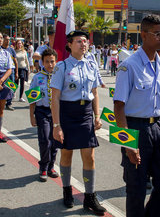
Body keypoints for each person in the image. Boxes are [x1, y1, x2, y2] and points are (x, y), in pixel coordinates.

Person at [114, 14, 160, 217]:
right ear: (144, 34)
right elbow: (118, 107)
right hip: (135, 127)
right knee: (137, 188)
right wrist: (128, 144)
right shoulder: (129, 66)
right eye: (157, 34)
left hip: (159, 128)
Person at [50, 30, 106, 216]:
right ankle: (67, 190)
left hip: (85, 113)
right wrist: (56, 126)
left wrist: (97, 116)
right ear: (69, 45)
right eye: (79, 41)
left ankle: (89, 196)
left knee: (89, 157)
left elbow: (96, 92)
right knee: (66, 155)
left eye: (85, 41)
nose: (83, 44)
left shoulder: (92, 65)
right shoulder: (62, 67)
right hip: (67, 113)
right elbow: (55, 97)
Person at [29, 48, 59, 182]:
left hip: (56, 112)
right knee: (45, 140)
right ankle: (43, 167)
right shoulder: (37, 78)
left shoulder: (59, 76)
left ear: (56, 62)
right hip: (42, 111)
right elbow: (32, 99)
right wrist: (32, 116)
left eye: (52, 61)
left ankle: (51, 166)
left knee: (55, 141)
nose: (50, 65)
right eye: (47, 62)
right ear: (42, 62)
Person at [2, 34, 18, 111]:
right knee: (3, 87)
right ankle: (2, 101)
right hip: (2, 72)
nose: (8, 41)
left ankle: (9, 103)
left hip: (11, 71)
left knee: (11, 87)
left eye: (8, 40)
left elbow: (15, 61)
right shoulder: (0, 49)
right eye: (6, 39)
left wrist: (16, 72)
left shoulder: (11, 50)